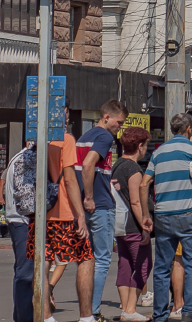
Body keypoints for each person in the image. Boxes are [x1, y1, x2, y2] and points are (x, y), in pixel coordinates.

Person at [140, 113, 192, 322]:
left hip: (163, 215)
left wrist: (146, 214)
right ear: (188, 129)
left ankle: (160, 314)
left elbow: (144, 184)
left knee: (162, 267)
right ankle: (189, 311)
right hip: (188, 213)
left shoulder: (159, 152)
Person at [28, 131, 94, 322]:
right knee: (85, 257)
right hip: (63, 213)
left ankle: (45, 316)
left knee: (42, 262)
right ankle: (86, 317)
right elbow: (70, 179)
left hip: (39, 213)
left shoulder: (35, 137)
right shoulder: (65, 139)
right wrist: (80, 214)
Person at [76, 100, 128, 320]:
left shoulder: (83, 137)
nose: (120, 127)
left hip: (84, 206)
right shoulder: (105, 136)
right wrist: (89, 197)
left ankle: (87, 312)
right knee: (103, 259)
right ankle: (93, 311)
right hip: (98, 205)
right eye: (119, 122)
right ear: (107, 117)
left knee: (86, 259)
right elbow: (88, 165)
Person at [113, 127, 153, 322]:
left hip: (118, 225)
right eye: (145, 144)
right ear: (139, 146)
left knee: (125, 264)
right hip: (132, 225)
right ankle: (130, 309)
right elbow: (136, 202)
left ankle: (125, 308)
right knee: (144, 264)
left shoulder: (117, 165)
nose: (145, 148)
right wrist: (144, 227)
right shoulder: (135, 170)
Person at [0, 141, 36, 322]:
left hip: (19, 220)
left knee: (24, 271)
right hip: (23, 220)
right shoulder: (26, 158)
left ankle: (22, 315)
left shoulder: (22, 156)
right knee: (25, 273)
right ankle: (24, 317)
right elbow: (27, 200)